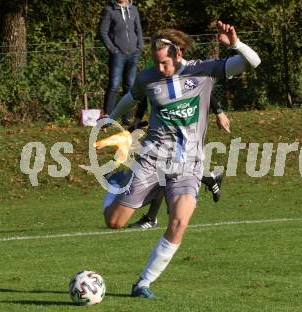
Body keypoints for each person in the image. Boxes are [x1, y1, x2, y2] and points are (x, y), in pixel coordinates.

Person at [104, 21, 260, 299]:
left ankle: (143, 284)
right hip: (152, 159)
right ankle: (117, 180)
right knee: (114, 221)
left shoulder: (205, 70)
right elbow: (131, 97)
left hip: (189, 164)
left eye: (164, 62)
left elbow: (253, 62)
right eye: (156, 62)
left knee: (179, 222)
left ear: (179, 53)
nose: (160, 68)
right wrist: (111, 117)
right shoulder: (148, 78)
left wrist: (235, 44)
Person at [108, 95, 230, 229]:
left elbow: (204, 89)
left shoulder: (184, 79)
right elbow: (144, 94)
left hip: (181, 132)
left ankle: (151, 217)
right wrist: (138, 118)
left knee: (167, 172)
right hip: (162, 133)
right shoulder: (152, 79)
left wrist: (219, 112)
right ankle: (209, 179)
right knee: (165, 172)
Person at [99, 0, 144, 124]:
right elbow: (103, 32)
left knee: (129, 86)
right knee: (114, 85)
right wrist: (113, 49)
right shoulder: (109, 10)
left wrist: (140, 46)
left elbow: (138, 28)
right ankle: (106, 119)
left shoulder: (134, 9)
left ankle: (126, 117)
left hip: (133, 53)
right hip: (118, 55)